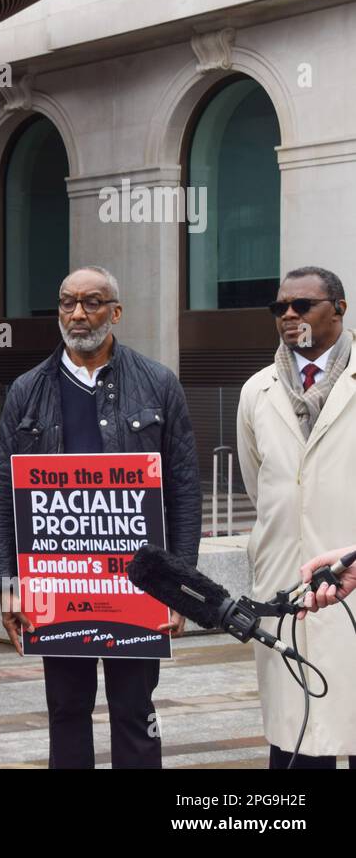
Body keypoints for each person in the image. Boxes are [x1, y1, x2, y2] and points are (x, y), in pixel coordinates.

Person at [0, 266, 201, 768]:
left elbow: (185, 494)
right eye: (67, 302)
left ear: (116, 312)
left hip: (138, 589)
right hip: (57, 589)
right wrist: (6, 585)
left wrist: (180, 587)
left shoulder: (159, 385)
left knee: (134, 712)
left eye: (92, 302)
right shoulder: (25, 391)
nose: (78, 313)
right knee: (66, 711)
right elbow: (2, 498)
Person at [237, 265, 356, 768]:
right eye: (279, 307)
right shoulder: (257, 391)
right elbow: (259, 483)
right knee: (296, 735)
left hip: (349, 578)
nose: (289, 314)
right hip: (286, 582)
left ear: (340, 310)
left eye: (302, 305)